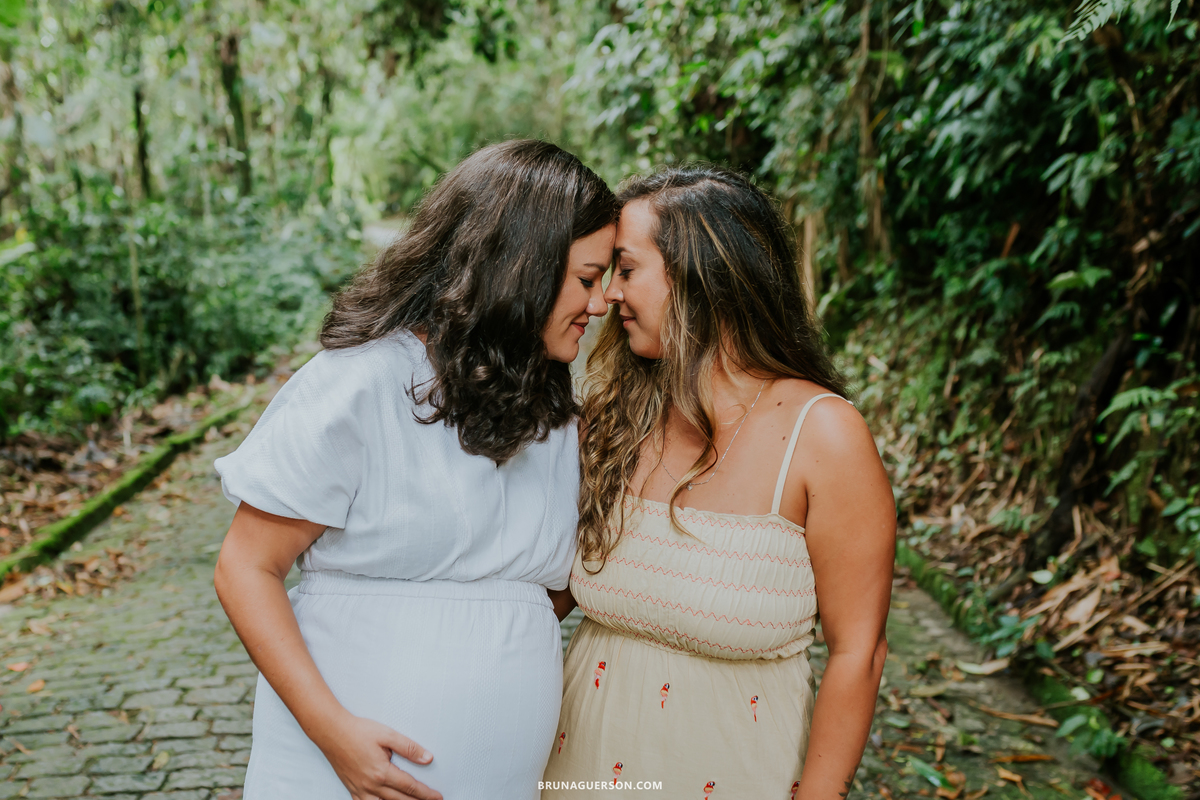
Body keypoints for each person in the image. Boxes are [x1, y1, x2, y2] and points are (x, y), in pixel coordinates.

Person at [212, 140, 617, 800]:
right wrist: (333, 732)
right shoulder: (361, 383)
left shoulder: (553, 408)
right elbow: (244, 568)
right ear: (523, 266)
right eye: (586, 278)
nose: (599, 305)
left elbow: (545, 588)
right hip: (341, 774)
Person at [543, 165, 895, 798]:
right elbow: (543, 600)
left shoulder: (824, 436)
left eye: (626, 269)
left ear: (702, 275)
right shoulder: (609, 422)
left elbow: (858, 653)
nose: (609, 296)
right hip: (580, 771)